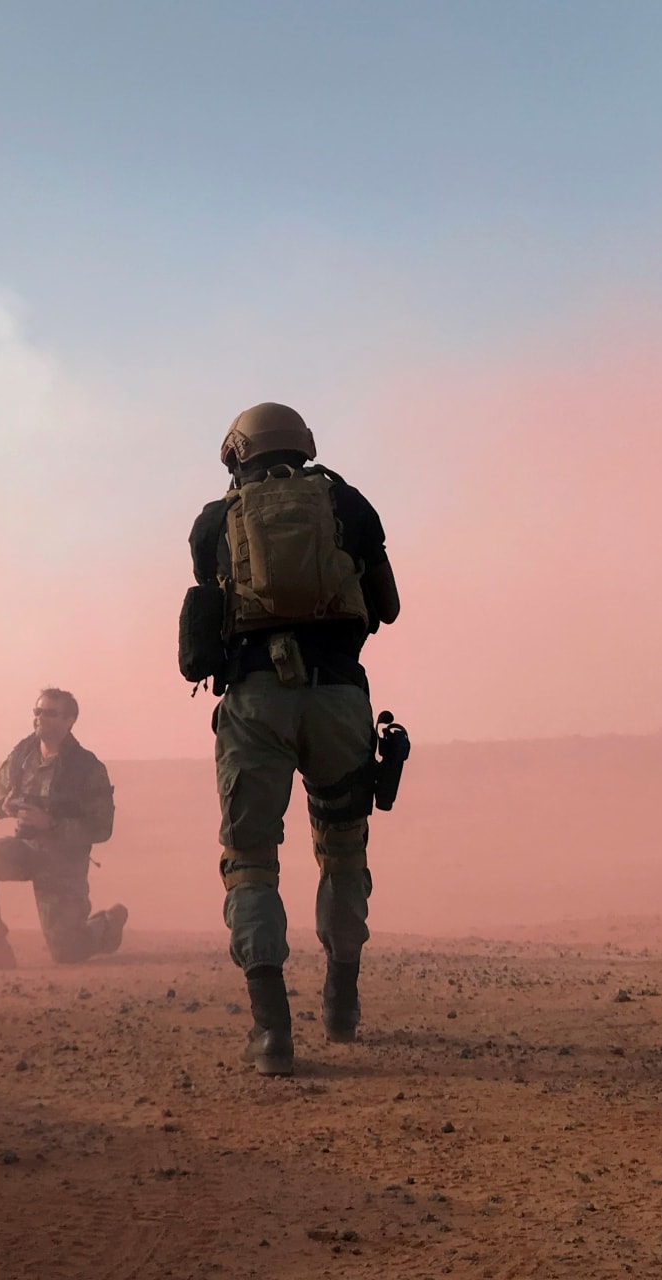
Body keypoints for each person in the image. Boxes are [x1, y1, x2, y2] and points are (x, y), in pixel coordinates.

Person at [186, 403, 401, 1075]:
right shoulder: (350, 503)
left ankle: (272, 1031)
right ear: (303, 446)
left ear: (236, 454)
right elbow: (387, 606)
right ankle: (342, 999)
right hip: (338, 698)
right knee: (342, 848)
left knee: (251, 857)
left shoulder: (215, 521)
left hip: (256, 705)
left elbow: (204, 632)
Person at [0, 689, 126, 971]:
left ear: (70, 720)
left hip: (64, 861)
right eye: (38, 712)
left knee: (67, 951)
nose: (41, 719)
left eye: (51, 713)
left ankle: (107, 924)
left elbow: (101, 827)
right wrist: (5, 806)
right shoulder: (23, 754)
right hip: (26, 849)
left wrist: (52, 824)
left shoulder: (87, 767)